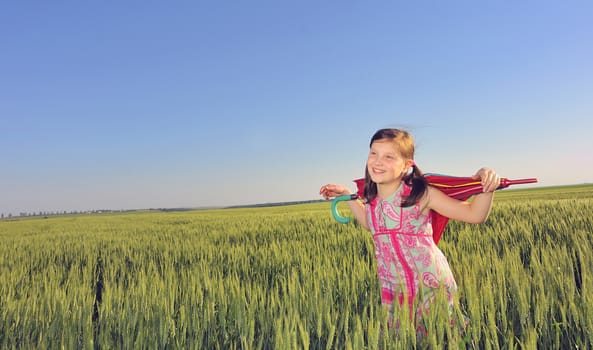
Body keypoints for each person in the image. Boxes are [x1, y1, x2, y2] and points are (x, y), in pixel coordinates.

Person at [319, 128, 500, 333]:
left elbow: (475, 215)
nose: (378, 161)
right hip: (393, 288)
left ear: (407, 165)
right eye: (374, 153)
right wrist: (347, 195)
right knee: (405, 338)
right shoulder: (370, 199)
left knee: (443, 336)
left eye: (389, 156)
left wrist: (486, 186)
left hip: (430, 285)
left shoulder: (420, 195)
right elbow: (372, 225)